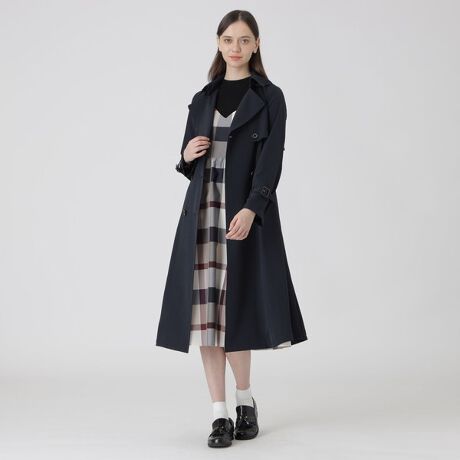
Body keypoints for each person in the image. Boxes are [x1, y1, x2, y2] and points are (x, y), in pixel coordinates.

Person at [156, 10, 308, 448]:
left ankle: (245, 401)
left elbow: (272, 161)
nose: (235, 48)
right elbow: (191, 164)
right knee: (206, 318)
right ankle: (218, 413)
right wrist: (186, 156)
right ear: (218, 43)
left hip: (241, 213)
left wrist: (252, 209)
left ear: (256, 44)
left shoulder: (270, 97)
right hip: (203, 214)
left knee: (234, 310)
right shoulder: (203, 98)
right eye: (228, 40)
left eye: (244, 40)